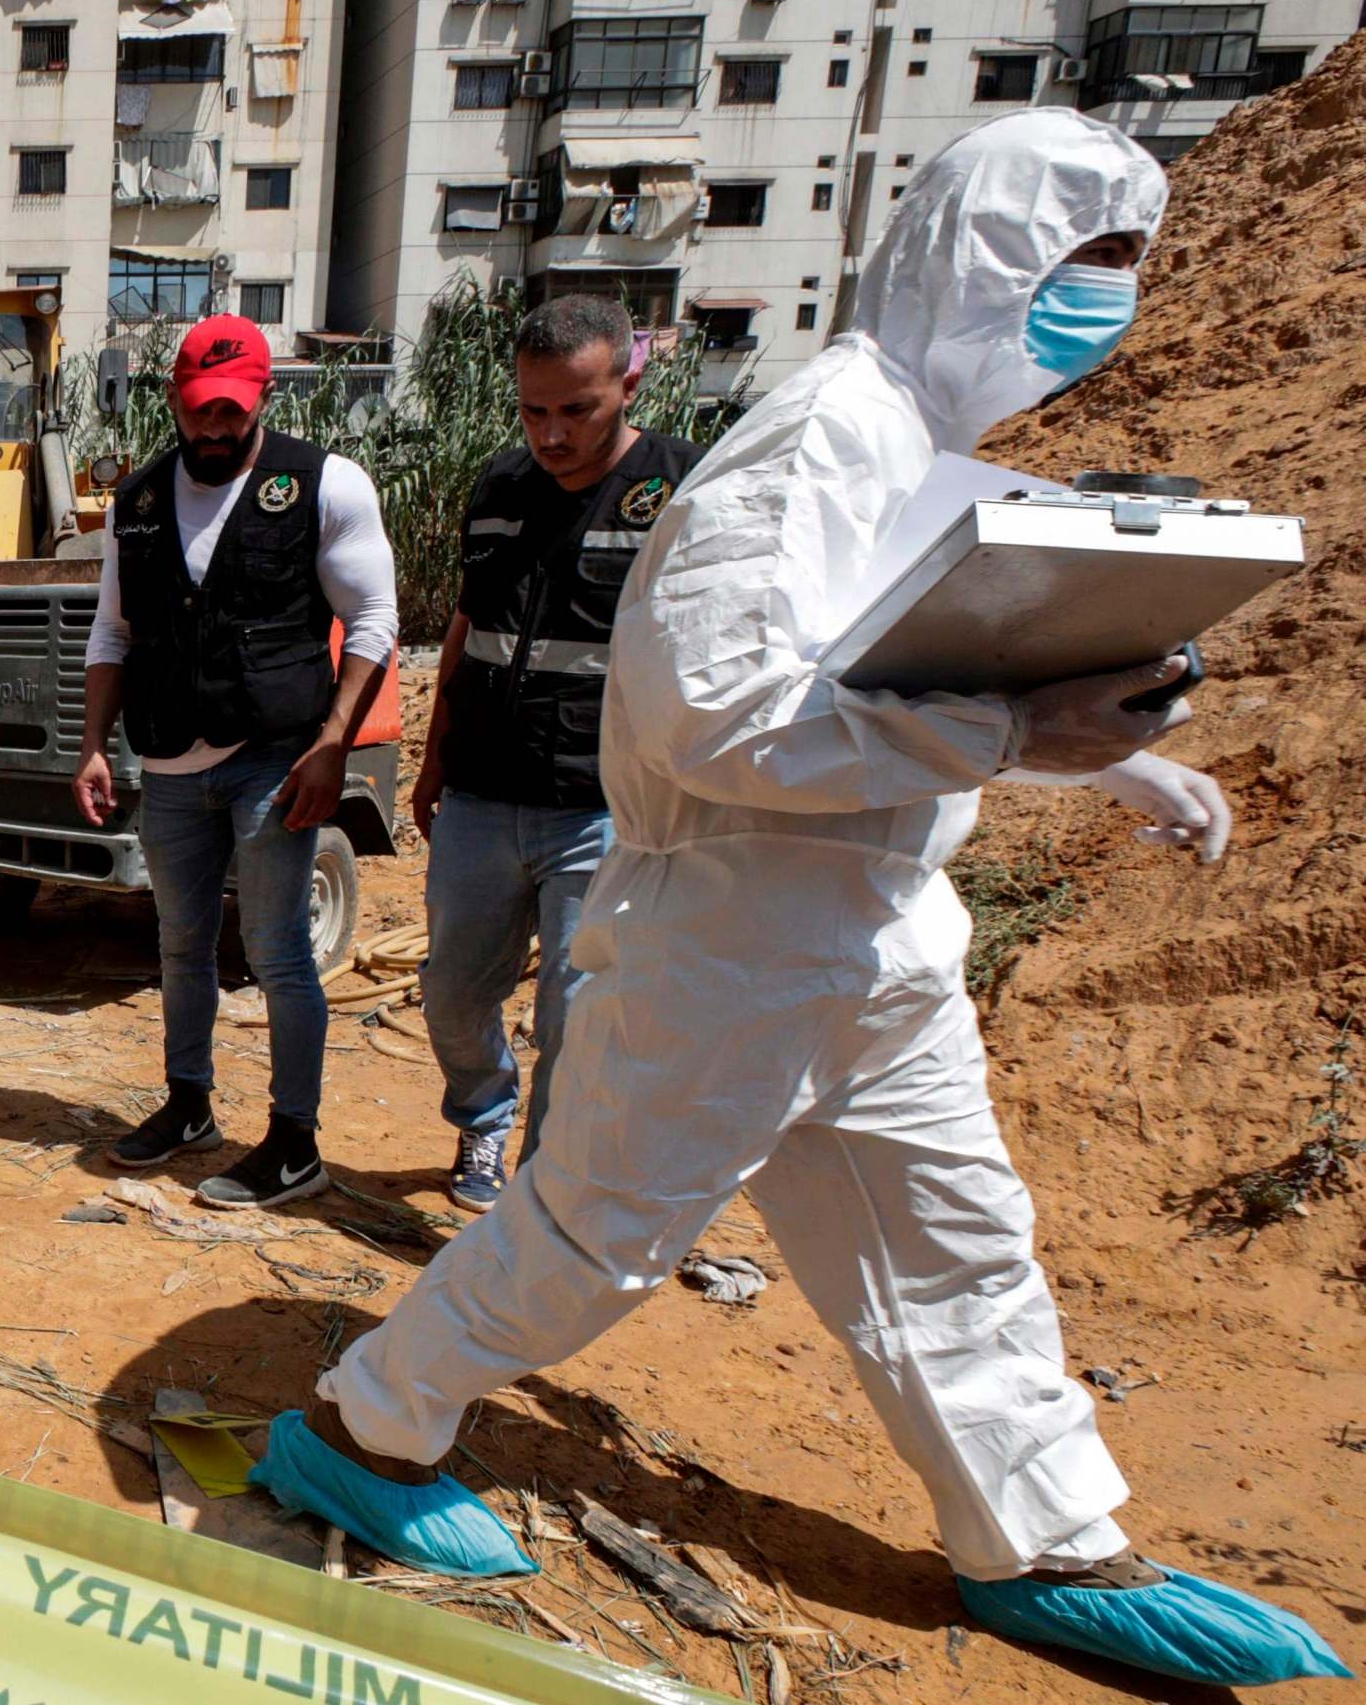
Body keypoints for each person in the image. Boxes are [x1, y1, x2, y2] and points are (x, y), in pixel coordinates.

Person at [253, 112, 1351, 1688]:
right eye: (1079, 261)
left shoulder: (921, 450)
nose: (1103, 296)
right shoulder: (813, 436)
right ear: (979, 259)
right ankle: (361, 1426)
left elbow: (906, 665)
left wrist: (1093, 754)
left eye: (1121, 265)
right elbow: (716, 706)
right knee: (589, 1237)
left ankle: (1036, 1536)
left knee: (959, 1244)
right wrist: (1011, 733)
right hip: (732, 935)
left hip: (883, 931)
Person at [75, 316, 397, 1209]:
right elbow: (114, 632)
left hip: (274, 757)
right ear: (175, 400)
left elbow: (373, 620)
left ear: (262, 399)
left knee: (277, 951)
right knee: (180, 947)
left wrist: (334, 744)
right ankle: (189, 1107)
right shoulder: (137, 503)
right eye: (200, 411)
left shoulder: (323, 483)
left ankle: (294, 1141)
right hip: (172, 761)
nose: (215, 429)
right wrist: (97, 745)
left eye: (233, 412)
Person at [413, 297, 706, 1212]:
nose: (550, 433)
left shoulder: (684, 489)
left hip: (604, 805)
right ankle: (483, 1116)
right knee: (453, 995)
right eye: (533, 410)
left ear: (630, 379)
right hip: (481, 794)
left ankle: (544, 1185)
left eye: (575, 409)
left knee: (575, 1016)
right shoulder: (499, 488)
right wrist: (432, 761)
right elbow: (469, 625)